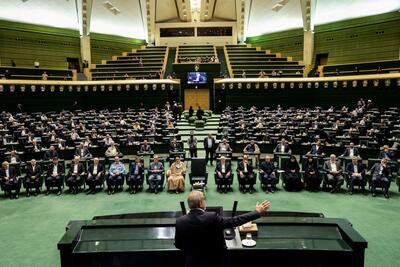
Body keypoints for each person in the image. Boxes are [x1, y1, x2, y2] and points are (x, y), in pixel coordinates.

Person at [175, 191, 271, 267]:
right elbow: (235, 221)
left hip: (192, 263)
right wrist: (257, 212)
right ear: (200, 203)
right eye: (204, 200)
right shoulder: (212, 217)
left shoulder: (180, 221)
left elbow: (179, 245)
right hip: (215, 261)